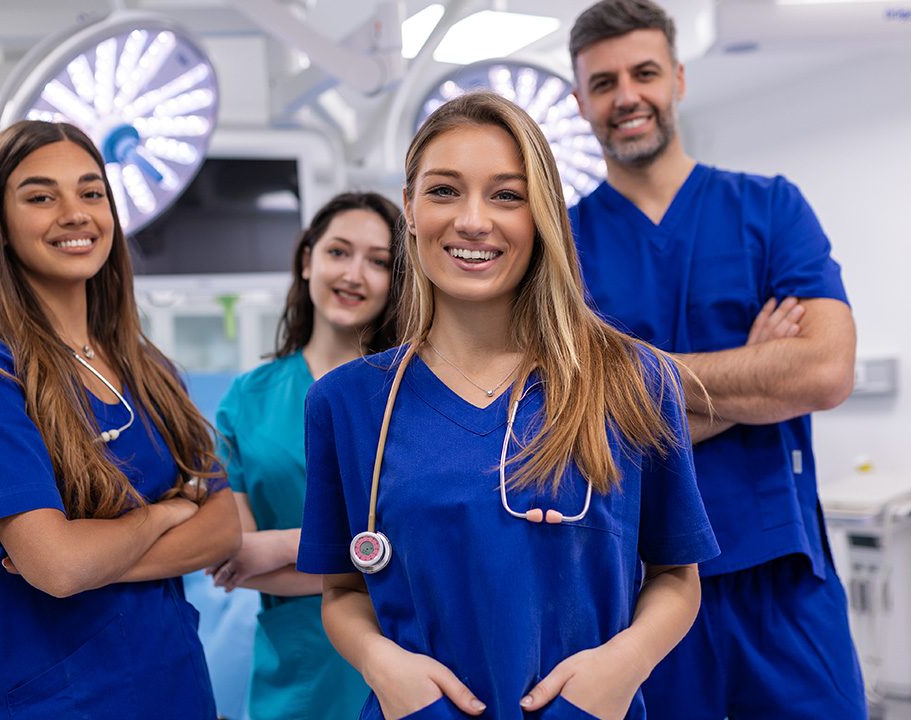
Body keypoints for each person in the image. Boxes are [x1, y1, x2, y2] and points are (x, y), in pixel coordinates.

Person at [296, 91, 719, 720]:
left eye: (506, 195)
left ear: (541, 214)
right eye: (444, 191)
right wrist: (382, 665)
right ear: (408, 209)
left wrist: (619, 670)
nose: (473, 220)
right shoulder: (347, 404)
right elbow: (342, 590)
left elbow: (676, 578)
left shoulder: (634, 381)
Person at [567, 2, 865, 718]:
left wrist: (638, 389)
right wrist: (759, 374)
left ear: (677, 78)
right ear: (580, 102)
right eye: (603, 83)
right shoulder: (563, 250)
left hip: (782, 580)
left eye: (643, 73)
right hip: (636, 593)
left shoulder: (769, 209)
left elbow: (823, 372)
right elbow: (580, 425)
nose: (626, 96)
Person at [0, 120, 240, 720]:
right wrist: (167, 514)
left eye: (91, 192)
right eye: (42, 196)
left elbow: (225, 526)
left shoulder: (150, 371)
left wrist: (91, 558)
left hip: (173, 688)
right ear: (0, 225)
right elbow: (59, 565)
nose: (74, 213)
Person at [207, 191, 405, 720]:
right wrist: (376, 561)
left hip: (404, 667)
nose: (354, 274)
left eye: (379, 261)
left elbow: (428, 551)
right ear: (306, 259)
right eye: (338, 252)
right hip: (295, 683)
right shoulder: (245, 400)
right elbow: (237, 558)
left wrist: (281, 545)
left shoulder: (416, 392)